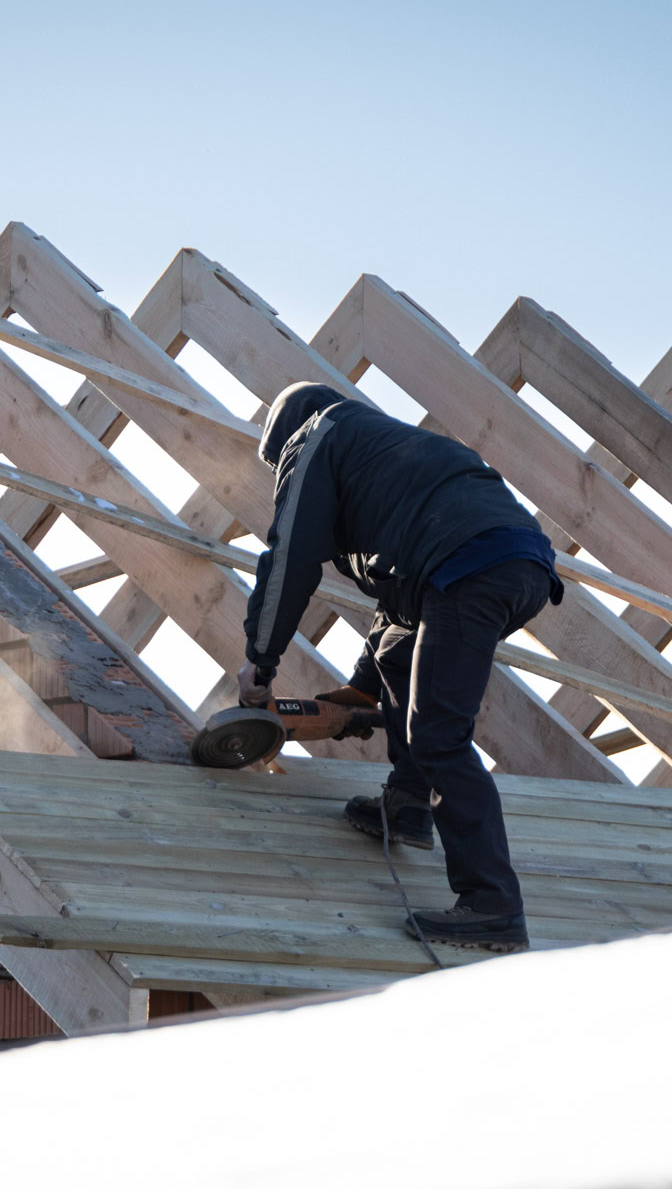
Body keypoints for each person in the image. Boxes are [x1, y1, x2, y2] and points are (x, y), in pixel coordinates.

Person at [236, 382, 564, 951]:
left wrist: (259, 666)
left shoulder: (317, 439)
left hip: (469, 569)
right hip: (514, 567)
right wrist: (359, 694)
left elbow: (289, 559)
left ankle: (492, 906)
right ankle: (409, 804)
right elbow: (397, 612)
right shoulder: (393, 454)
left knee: (439, 733)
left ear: (288, 438)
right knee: (399, 658)